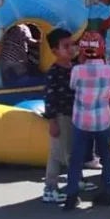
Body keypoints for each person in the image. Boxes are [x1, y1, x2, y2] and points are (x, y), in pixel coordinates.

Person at [64, 31, 110, 210]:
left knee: (76, 158)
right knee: (107, 157)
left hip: (81, 120)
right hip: (102, 121)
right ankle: (107, 192)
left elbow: (72, 86)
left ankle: (71, 196)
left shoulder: (76, 70)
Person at [41, 28, 76, 204]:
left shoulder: (75, 68)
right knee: (56, 152)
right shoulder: (53, 73)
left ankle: (76, 180)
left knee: (72, 150)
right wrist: (53, 121)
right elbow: (49, 98)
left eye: (72, 44)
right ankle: (50, 187)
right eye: (66, 46)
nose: (71, 48)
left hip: (74, 115)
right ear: (55, 51)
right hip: (61, 116)